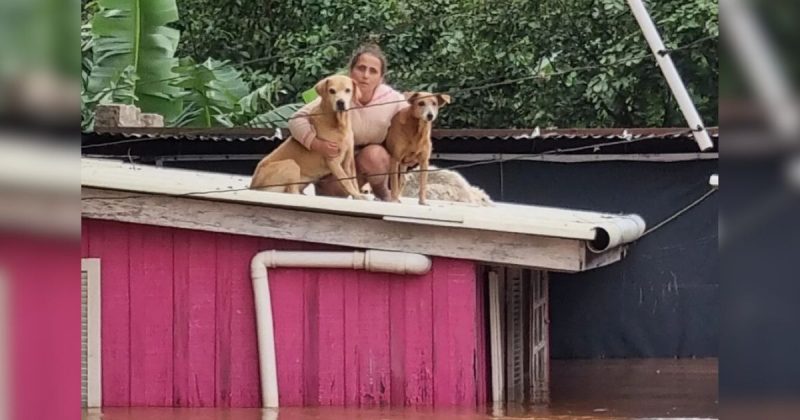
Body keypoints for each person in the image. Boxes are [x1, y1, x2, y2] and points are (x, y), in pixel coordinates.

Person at [287, 43, 408, 201]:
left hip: (370, 157)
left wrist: (410, 149)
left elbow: (414, 118)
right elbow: (296, 119)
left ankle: (382, 192)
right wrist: (316, 143)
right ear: (351, 71)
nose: (365, 75)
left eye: (373, 71)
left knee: (374, 156)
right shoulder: (337, 95)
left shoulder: (391, 99)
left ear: (381, 78)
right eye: (361, 68)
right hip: (337, 159)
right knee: (333, 191)